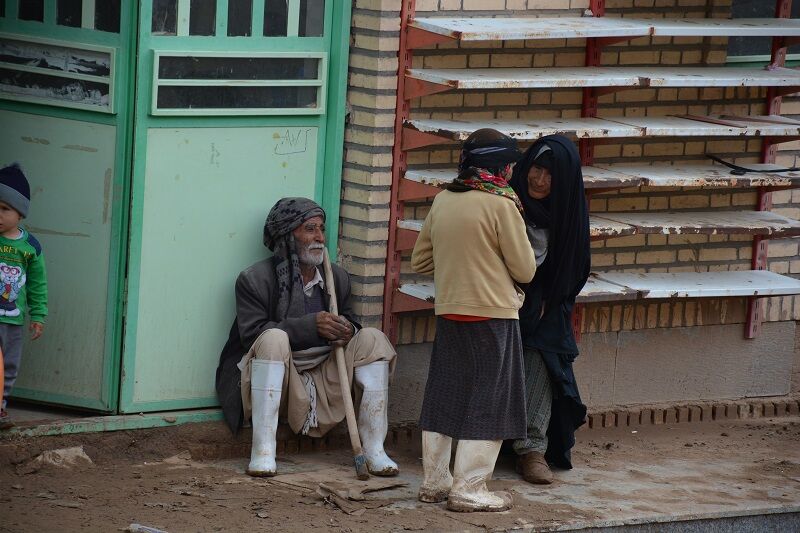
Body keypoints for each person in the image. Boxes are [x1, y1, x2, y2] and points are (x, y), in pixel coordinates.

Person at [216, 197, 398, 477]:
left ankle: (374, 449)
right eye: (309, 229)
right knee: (273, 337)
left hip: (327, 374)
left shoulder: (336, 277)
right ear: (288, 235)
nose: (319, 238)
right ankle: (263, 451)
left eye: (321, 229)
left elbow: (350, 321)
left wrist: (348, 329)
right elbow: (252, 335)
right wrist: (311, 327)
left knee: (372, 338)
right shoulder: (255, 279)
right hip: (280, 375)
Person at [411, 129, 536, 513]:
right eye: (510, 164)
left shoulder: (444, 199)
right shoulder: (501, 204)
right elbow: (526, 269)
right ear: (501, 167)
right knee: (490, 398)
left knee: (446, 391)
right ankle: (470, 488)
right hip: (493, 314)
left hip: (450, 311)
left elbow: (421, 261)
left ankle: (435, 482)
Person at [508, 135, 591, 484]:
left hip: (548, 301)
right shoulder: (507, 200)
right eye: (537, 169)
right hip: (501, 291)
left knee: (544, 347)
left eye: (550, 175)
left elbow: (573, 269)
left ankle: (532, 448)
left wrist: (545, 300)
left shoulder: (569, 213)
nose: (539, 181)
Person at [0, 164, 47, 430]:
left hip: (13, 320)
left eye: (5, 209)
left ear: (20, 212)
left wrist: (38, 315)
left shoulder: (30, 247)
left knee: (9, 365)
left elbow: (38, 285)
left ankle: (1, 405)